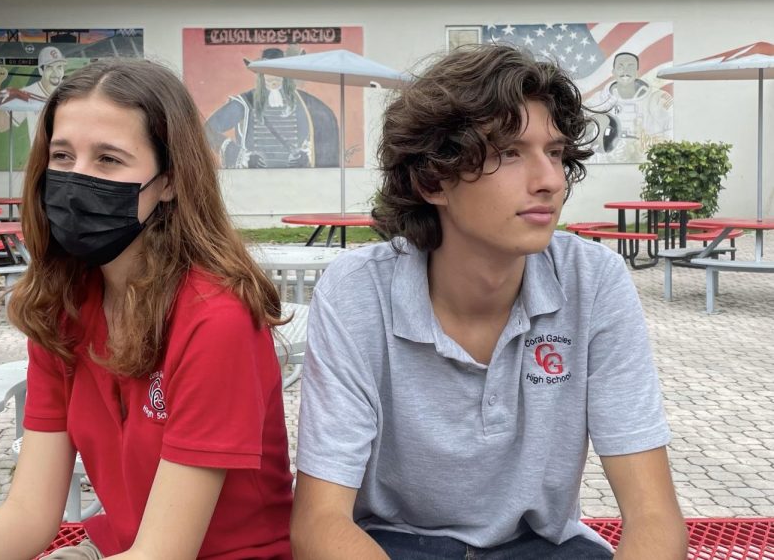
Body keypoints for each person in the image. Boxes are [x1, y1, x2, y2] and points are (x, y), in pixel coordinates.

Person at [0, 59, 293, 559]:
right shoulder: (63, 306)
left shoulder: (216, 318)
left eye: (109, 160)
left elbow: (162, 554)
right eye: (63, 156)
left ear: (170, 182)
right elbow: (28, 516)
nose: (77, 181)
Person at [291, 44, 687, 559]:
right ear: (433, 178)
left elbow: (654, 516)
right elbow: (318, 522)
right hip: (395, 546)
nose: (549, 181)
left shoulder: (594, 281)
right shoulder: (359, 290)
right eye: (509, 153)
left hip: (542, 546)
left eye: (556, 153)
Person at [205, 47, 339, 169]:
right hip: (254, 180)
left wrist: (306, 156)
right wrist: (242, 157)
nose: (273, 78)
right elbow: (207, 130)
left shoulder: (305, 102)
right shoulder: (245, 102)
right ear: (261, 75)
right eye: (268, 71)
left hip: (296, 180)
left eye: (277, 71)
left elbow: (323, 132)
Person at [587, 51, 673, 163]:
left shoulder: (657, 99)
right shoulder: (597, 101)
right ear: (613, 72)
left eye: (630, 67)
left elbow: (674, 129)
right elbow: (582, 135)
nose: (625, 71)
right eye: (620, 66)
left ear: (637, 73)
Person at [0, 45, 68, 147]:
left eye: (59, 67)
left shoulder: (72, 92)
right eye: (49, 67)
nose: (56, 73)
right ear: (41, 70)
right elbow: (1, 125)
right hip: (41, 160)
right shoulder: (27, 93)